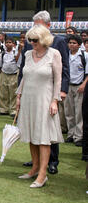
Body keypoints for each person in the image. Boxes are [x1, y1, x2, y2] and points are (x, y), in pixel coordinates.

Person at [18, 11, 70, 175]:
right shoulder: (28, 50)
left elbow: (62, 72)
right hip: (29, 96)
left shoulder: (58, 44)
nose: (32, 41)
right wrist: (18, 95)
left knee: (46, 133)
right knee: (33, 132)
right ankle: (36, 164)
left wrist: (60, 94)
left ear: (48, 25)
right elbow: (24, 73)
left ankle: (51, 163)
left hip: (47, 95)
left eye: (39, 25)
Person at [64, 34, 88, 147]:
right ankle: (71, 133)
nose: (71, 45)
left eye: (74, 43)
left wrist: (83, 84)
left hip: (79, 87)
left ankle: (78, 136)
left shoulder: (84, 56)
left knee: (79, 113)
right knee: (69, 111)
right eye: (70, 43)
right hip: (68, 85)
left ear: (79, 45)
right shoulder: (66, 55)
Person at [0, 36, 19, 116]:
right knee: (3, 92)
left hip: (13, 74)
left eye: (10, 42)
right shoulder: (2, 53)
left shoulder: (16, 53)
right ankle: (3, 109)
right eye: (6, 42)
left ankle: (13, 110)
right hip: (4, 73)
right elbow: (0, 65)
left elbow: (18, 63)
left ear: (13, 44)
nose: (8, 44)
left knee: (13, 93)